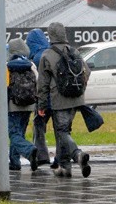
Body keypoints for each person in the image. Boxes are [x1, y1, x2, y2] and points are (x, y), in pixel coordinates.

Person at [37, 22, 91, 178]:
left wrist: (41, 105)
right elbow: (86, 72)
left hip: (59, 100)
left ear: (51, 35)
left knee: (61, 132)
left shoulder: (47, 55)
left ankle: (78, 155)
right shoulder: (74, 51)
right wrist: (79, 91)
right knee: (65, 131)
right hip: (76, 99)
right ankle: (65, 167)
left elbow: (43, 84)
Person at [6, 38, 38, 172]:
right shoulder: (30, 65)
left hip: (14, 105)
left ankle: (30, 151)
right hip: (29, 104)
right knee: (20, 133)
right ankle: (14, 162)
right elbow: (37, 81)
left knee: (14, 134)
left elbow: (5, 87)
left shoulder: (7, 66)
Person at [26, 29, 52, 166]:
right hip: (58, 99)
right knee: (61, 130)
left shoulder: (36, 58)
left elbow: (40, 84)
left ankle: (42, 155)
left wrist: (41, 104)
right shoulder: (52, 54)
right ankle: (60, 158)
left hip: (43, 100)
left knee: (39, 125)